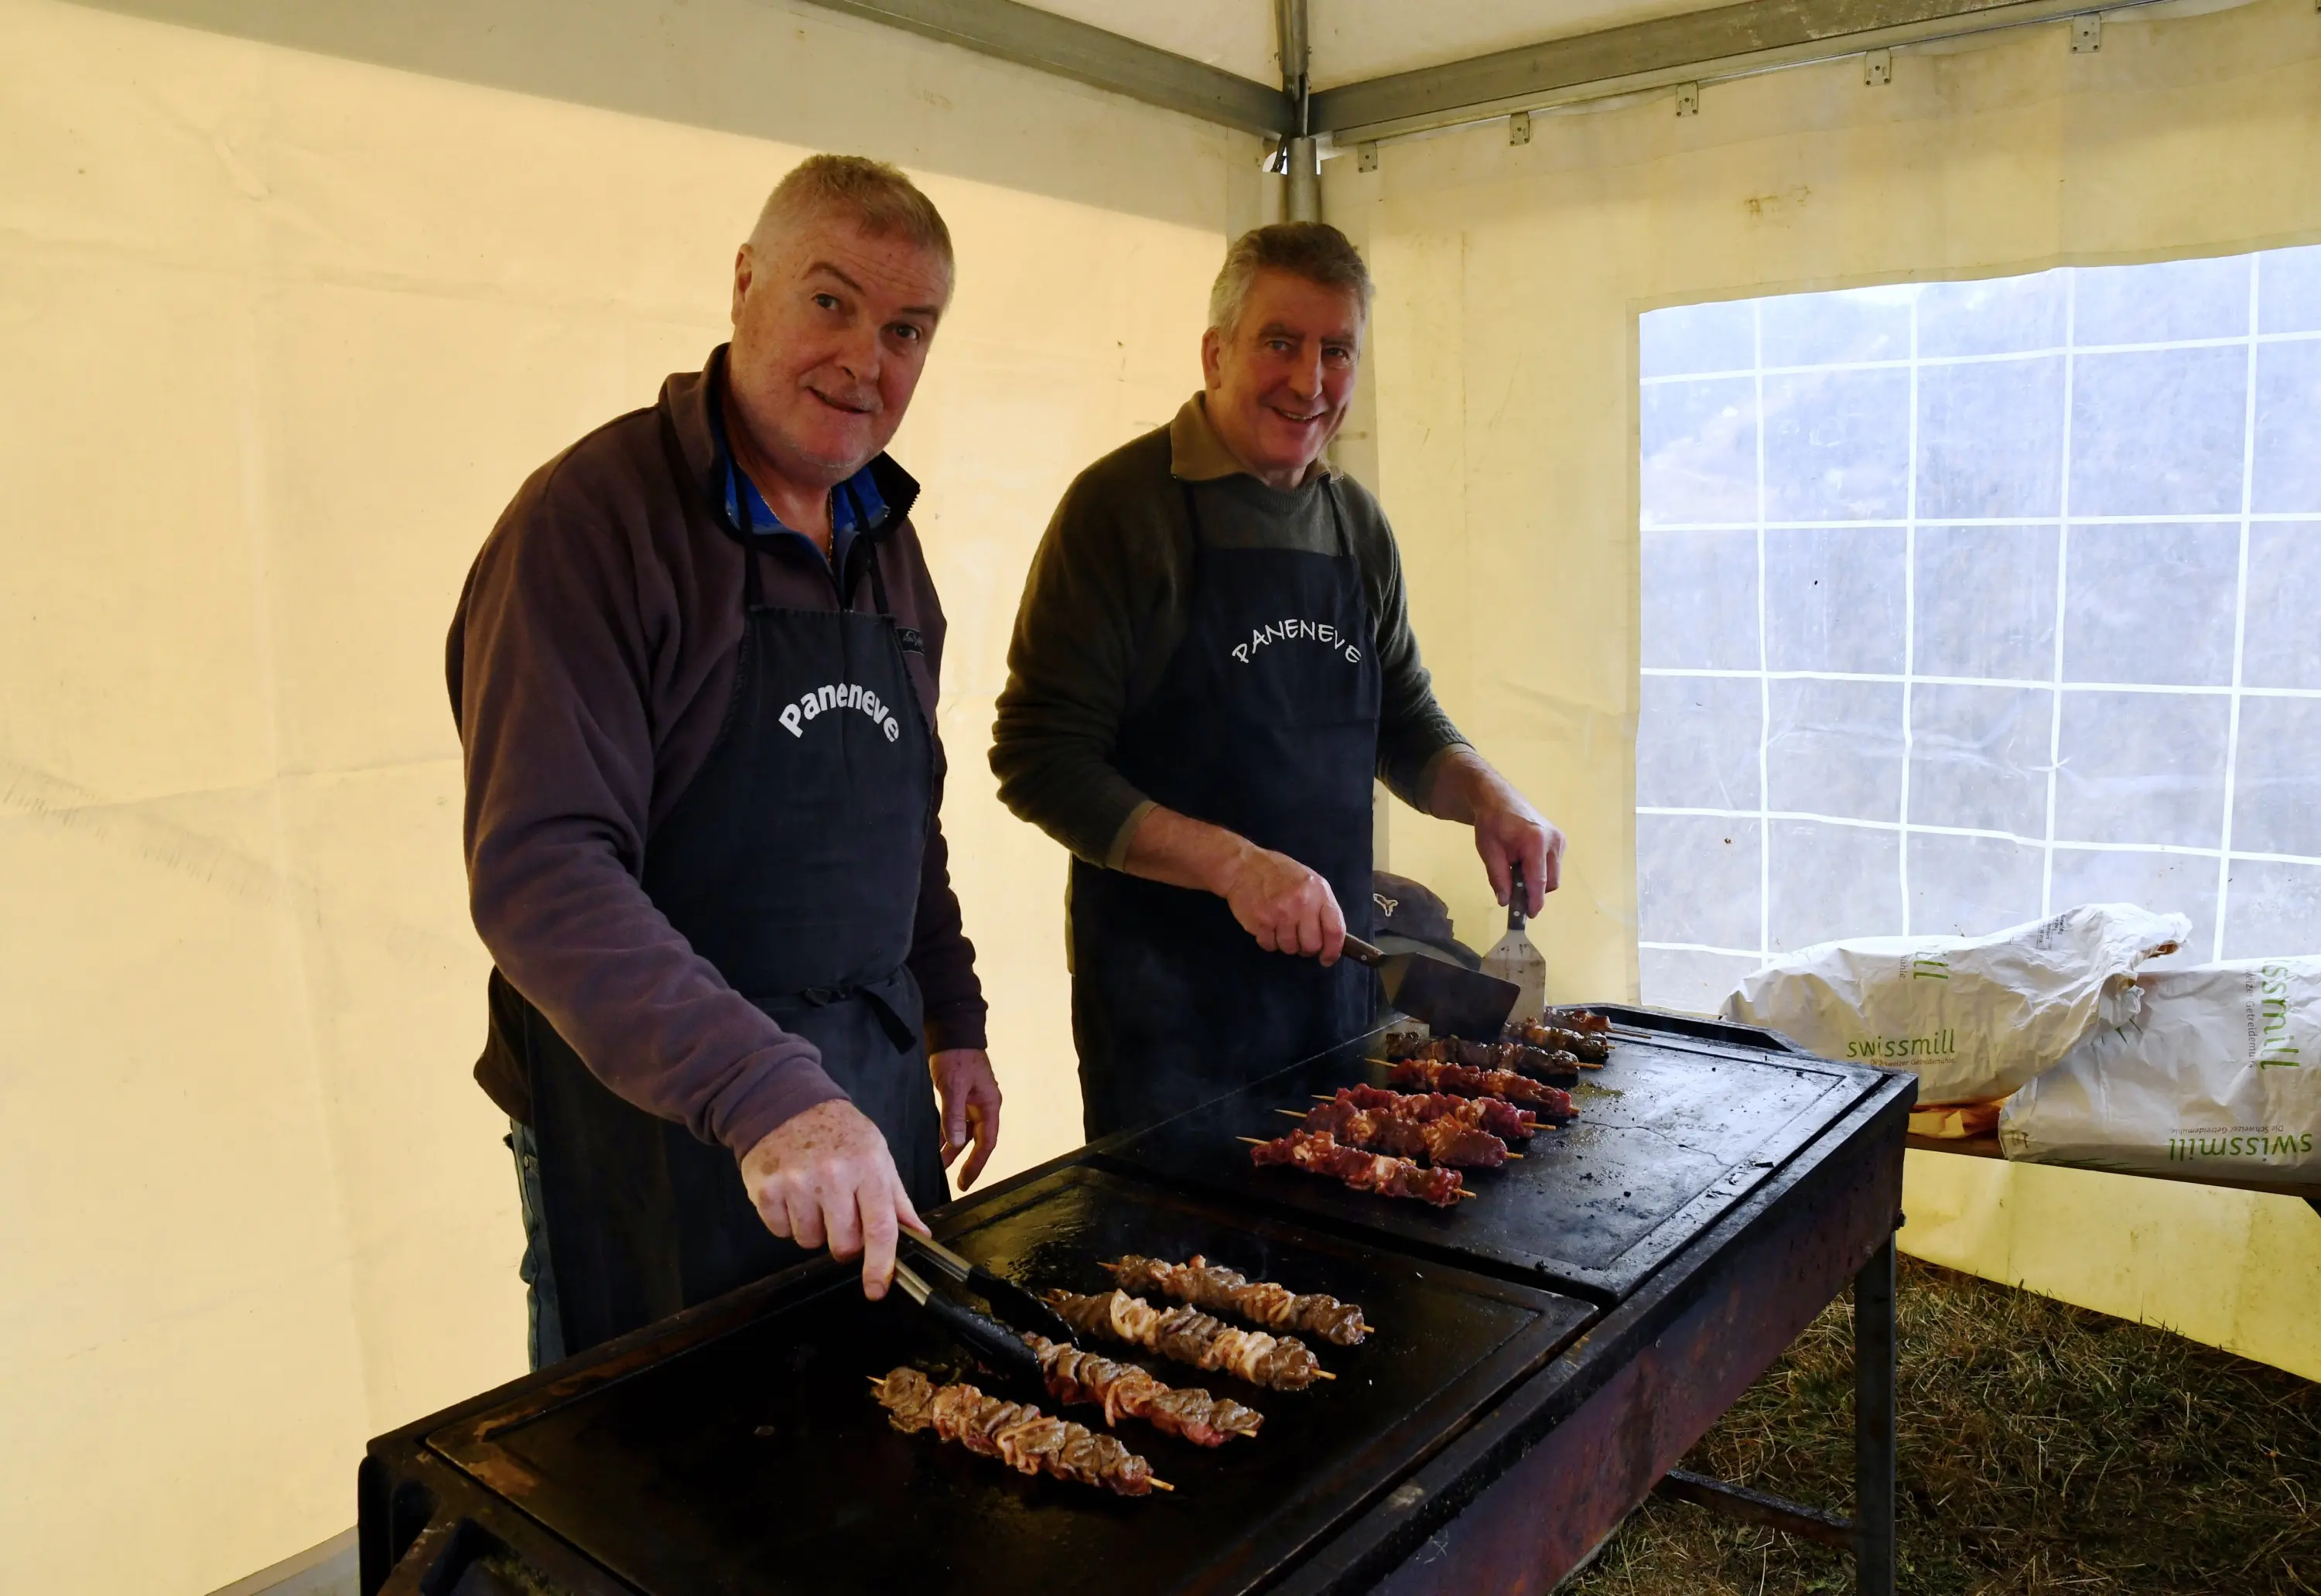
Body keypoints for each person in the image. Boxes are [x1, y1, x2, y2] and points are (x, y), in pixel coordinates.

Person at [450, 155, 1002, 1366]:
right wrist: (766, 1093)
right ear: (746, 284)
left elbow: (906, 813)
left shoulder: (885, 539)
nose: (867, 359)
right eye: (831, 301)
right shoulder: (591, 525)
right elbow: (542, 871)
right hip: (655, 1126)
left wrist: (953, 1016)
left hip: (870, 1091)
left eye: (907, 329)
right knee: (654, 1510)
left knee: (889, 1465)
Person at [990, 221, 1564, 1140]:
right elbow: (1038, 758)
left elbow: (1403, 718)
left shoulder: (1355, 525)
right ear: (1216, 351)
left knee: (1338, 1259)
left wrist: (1490, 797)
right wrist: (1235, 866)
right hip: (1166, 1018)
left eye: (1337, 350)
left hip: (1334, 995)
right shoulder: (1120, 511)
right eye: (1280, 343)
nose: (1310, 381)